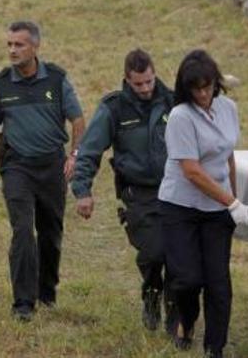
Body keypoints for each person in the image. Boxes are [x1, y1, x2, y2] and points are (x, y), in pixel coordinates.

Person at [0, 21, 86, 321]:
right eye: (9, 44)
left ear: (35, 47)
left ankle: (46, 291)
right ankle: (23, 303)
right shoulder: (0, 85)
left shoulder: (57, 80)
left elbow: (78, 121)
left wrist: (75, 155)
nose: (12, 50)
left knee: (50, 232)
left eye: (19, 45)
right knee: (23, 231)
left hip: (52, 165)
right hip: (16, 167)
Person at [71, 48, 176, 332]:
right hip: (138, 194)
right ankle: (152, 294)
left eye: (149, 82)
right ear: (127, 80)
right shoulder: (114, 109)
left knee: (178, 257)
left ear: (155, 75)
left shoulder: (173, 102)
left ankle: (177, 320)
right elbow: (89, 150)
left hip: (176, 191)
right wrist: (82, 191)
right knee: (154, 253)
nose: (144, 89)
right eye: (138, 83)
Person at [158, 49, 248, 358]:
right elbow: (192, 172)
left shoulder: (228, 108)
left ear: (216, 83)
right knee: (187, 279)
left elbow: (228, 155)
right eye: (196, 88)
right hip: (182, 207)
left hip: (216, 211)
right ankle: (185, 320)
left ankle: (215, 348)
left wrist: (234, 199)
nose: (202, 94)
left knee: (218, 284)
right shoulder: (181, 117)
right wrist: (231, 201)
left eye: (207, 86)